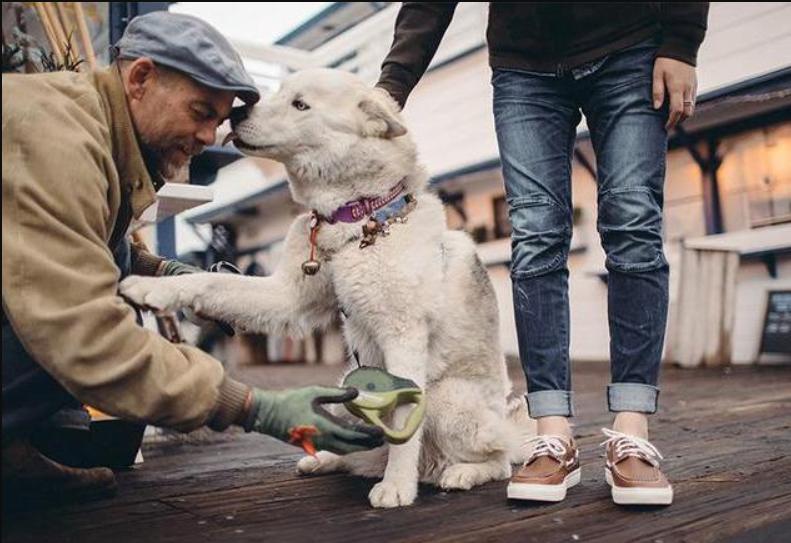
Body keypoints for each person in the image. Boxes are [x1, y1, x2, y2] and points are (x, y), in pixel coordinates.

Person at [2, 11, 383, 504]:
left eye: (218, 121)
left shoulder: (91, 123)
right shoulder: (56, 138)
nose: (209, 137)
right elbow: (82, 334)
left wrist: (164, 270)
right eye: (201, 111)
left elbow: (75, 243)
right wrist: (252, 406)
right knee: (75, 326)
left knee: (113, 275)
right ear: (141, 78)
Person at [376, 3, 709, 505]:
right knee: (534, 236)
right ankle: (552, 433)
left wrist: (682, 41)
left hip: (634, 42)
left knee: (633, 224)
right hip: (523, 65)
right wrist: (392, 86)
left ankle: (633, 430)